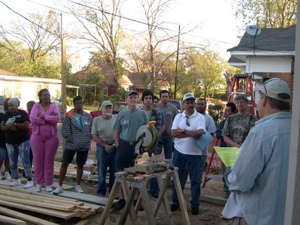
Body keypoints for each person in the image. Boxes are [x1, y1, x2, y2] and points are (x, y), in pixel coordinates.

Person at [222, 78, 291, 225]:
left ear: (264, 100)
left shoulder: (262, 132)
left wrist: (230, 175)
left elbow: (240, 181)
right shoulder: (294, 128)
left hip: (256, 216)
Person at [170, 93, 205, 215]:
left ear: (194, 104)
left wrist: (184, 131)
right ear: (183, 104)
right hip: (179, 152)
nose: (190, 105)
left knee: (195, 180)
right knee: (177, 179)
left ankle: (195, 204)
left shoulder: (200, 117)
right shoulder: (178, 117)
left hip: (195, 153)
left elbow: (200, 133)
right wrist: (191, 133)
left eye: (192, 102)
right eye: (187, 102)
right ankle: (175, 202)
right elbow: (173, 133)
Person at [113, 90, 148, 210]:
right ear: (126, 100)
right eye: (130, 97)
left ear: (137, 100)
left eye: (134, 97)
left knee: (138, 173)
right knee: (121, 172)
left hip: (138, 146)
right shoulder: (121, 114)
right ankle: (122, 199)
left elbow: (147, 131)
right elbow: (116, 131)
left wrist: (144, 147)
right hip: (123, 145)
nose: (133, 99)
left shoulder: (143, 114)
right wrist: (118, 146)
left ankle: (136, 200)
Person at [53, 96, 92, 194]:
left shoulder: (88, 116)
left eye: (81, 103)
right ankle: (60, 185)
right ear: (74, 104)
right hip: (71, 145)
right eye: (77, 103)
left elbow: (91, 130)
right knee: (65, 163)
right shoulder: (69, 116)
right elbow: (65, 131)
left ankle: (78, 185)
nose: (79, 105)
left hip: (84, 145)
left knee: (80, 165)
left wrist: (86, 140)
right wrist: (73, 141)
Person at [30, 88, 60, 192]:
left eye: (48, 95)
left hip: (51, 137)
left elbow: (57, 119)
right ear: (40, 96)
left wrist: (43, 117)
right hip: (37, 137)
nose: (47, 96)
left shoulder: (54, 107)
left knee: (49, 161)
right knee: (38, 160)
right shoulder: (36, 106)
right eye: (44, 95)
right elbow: (33, 119)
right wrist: (49, 118)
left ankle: (48, 183)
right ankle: (38, 183)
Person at [0, 98, 33, 188]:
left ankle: (29, 179)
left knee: (25, 160)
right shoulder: (7, 114)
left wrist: (15, 125)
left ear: (17, 105)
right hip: (10, 141)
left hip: (23, 140)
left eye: (12, 105)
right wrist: (9, 126)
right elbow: (2, 127)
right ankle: (16, 178)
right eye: (9, 106)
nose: (11, 107)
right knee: (12, 161)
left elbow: (27, 125)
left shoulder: (22, 113)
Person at [91, 100, 116, 197]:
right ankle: (101, 191)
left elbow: (119, 133)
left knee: (114, 170)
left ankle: (112, 191)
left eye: (110, 107)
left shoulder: (116, 119)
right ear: (102, 108)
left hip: (114, 147)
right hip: (102, 147)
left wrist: (113, 145)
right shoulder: (96, 120)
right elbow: (94, 135)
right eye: (106, 107)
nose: (108, 109)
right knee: (102, 170)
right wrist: (105, 145)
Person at [141, 90, 163, 199]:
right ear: (143, 100)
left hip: (153, 144)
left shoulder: (157, 113)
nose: (148, 100)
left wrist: (153, 141)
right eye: (146, 98)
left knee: (154, 167)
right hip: (141, 144)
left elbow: (157, 130)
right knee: (141, 166)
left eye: (150, 98)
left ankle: (154, 191)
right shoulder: (139, 112)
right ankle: (141, 190)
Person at [215, 102, 237, 198]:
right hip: (226, 151)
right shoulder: (224, 122)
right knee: (226, 172)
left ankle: (234, 193)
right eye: (226, 110)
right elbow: (218, 133)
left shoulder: (237, 123)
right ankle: (227, 193)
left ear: (233, 111)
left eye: (228, 111)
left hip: (237, 151)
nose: (226, 113)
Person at [195, 98, 217, 180]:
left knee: (199, 171)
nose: (199, 106)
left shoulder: (209, 119)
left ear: (205, 106)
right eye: (198, 104)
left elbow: (211, 134)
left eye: (202, 104)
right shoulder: (190, 116)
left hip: (201, 151)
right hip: (189, 150)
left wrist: (199, 140)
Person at [157, 90, 178, 160]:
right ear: (160, 98)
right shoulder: (157, 108)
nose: (165, 98)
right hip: (158, 135)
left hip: (169, 135)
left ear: (169, 98)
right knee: (156, 156)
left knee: (168, 157)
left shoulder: (173, 108)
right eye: (163, 97)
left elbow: (177, 120)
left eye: (166, 96)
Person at [0, 97, 11, 180]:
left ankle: (7, 171)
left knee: (8, 157)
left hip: (10, 139)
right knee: (1, 157)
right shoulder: (2, 115)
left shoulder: (14, 115)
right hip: (1, 139)